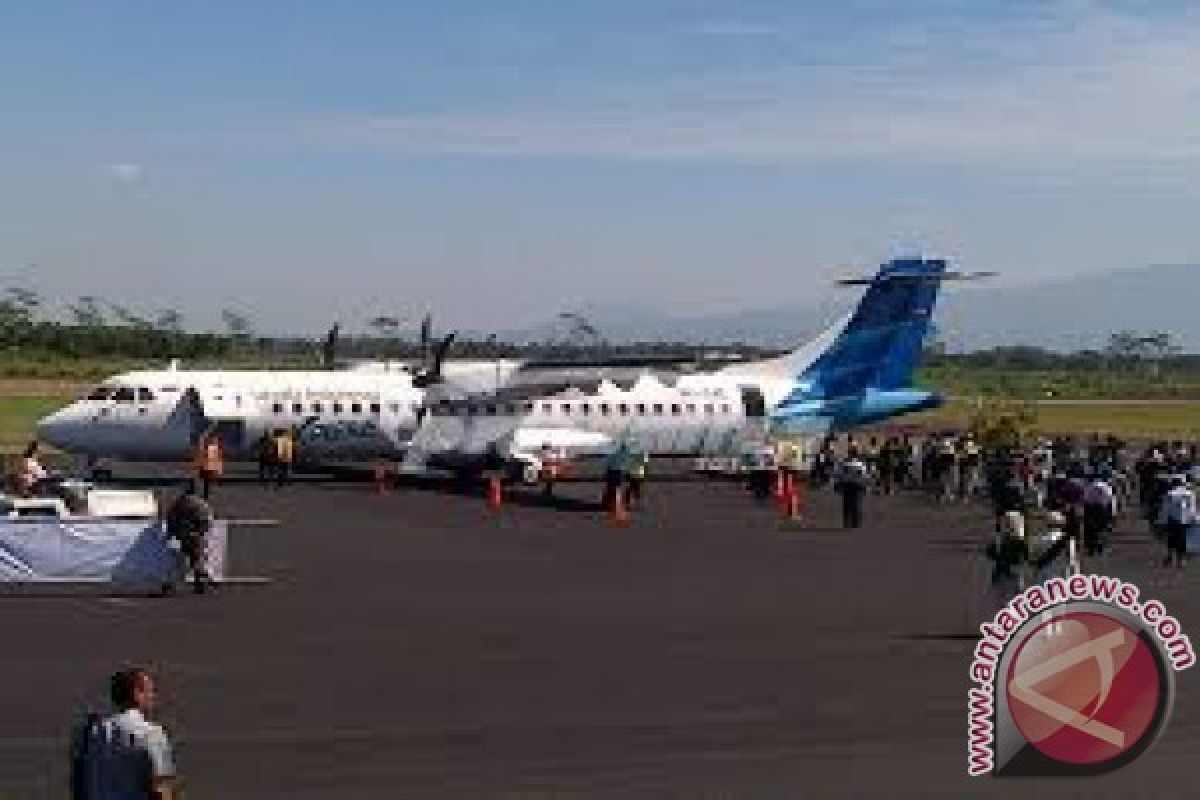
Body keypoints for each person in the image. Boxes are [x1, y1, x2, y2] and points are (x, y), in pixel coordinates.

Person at [70, 666, 177, 800]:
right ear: (137, 693)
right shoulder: (151, 733)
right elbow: (160, 786)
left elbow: (79, 783)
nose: (153, 696)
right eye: (150, 691)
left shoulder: (92, 733)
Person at [164, 483, 215, 594]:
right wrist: (202, 533)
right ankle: (202, 583)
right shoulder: (201, 504)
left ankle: (172, 584)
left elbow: (171, 518)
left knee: (183, 561)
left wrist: (171, 533)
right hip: (196, 536)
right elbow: (207, 520)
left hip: (183, 535)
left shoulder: (180, 503)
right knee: (196, 560)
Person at [985, 511, 1029, 612]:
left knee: (1008, 600)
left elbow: (990, 553)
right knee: (1005, 600)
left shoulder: (1015, 542)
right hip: (1006, 573)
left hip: (1009, 573)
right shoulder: (1002, 540)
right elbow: (990, 553)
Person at [1158, 475, 1196, 570]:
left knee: (1171, 539)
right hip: (1184, 519)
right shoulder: (1189, 493)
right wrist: (1193, 517)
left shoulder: (1170, 493)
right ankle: (1181, 559)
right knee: (1182, 540)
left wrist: (1162, 520)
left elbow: (1166, 508)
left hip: (1172, 519)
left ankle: (1170, 555)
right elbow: (1192, 507)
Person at [835, 450, 869, 528]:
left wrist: (838, 484)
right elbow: (864, 475)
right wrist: (865, 485)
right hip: (857, 484)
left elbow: (839, 474)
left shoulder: (844, 463)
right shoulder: (860, 464)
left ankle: (846, 522)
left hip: (847, 484)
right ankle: (855, 522)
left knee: (846, 504)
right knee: (856, 503)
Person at [193, 433, 223, 500]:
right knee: (206, 482)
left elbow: (216, 461)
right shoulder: (209, 447)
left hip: (207, 467)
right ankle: (206, 494)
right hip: (205, 467)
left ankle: (206, 494)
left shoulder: (211, 448)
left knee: (206, 482)